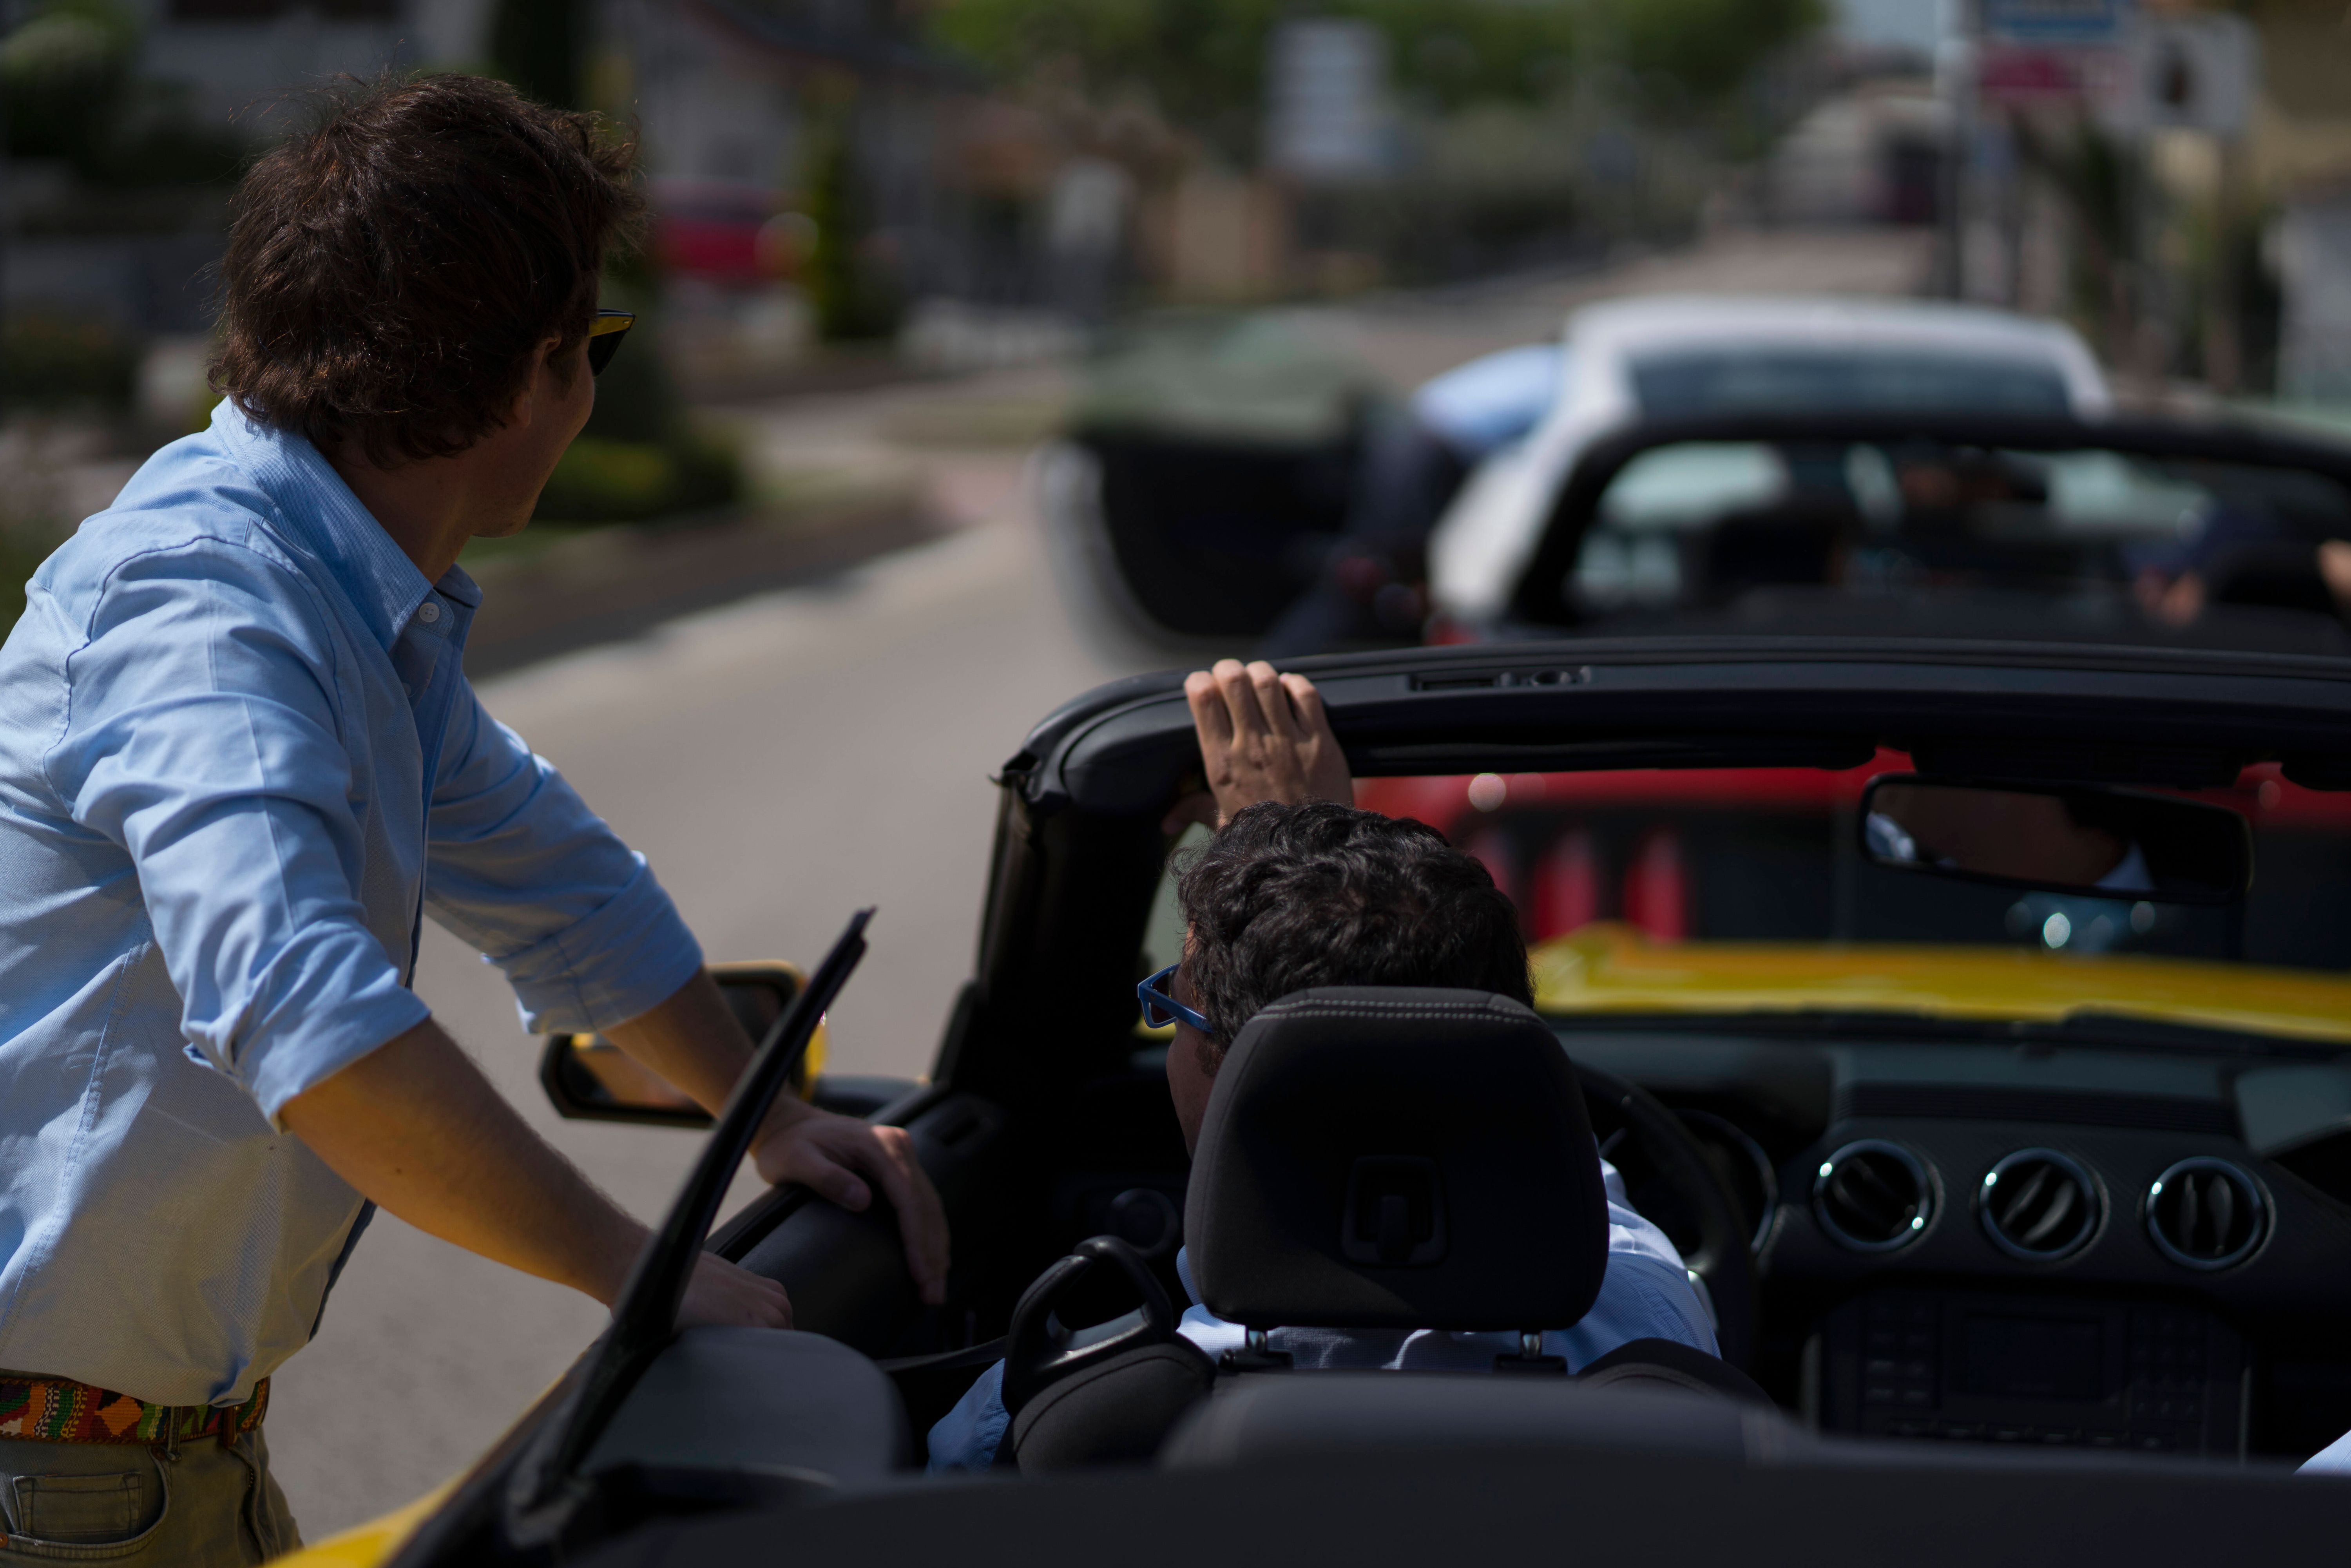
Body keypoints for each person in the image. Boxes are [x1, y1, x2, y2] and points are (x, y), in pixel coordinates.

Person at [0, 77, 944, 1563]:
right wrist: (631, 1267)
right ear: (531, 381)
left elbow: (570, 894)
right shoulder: (204, 606)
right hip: (51, 1485)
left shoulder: (356, 609)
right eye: (596, 354)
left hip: (161, 1462)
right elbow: (303, 1010)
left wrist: (772, 1118)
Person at [926, 659, 1717, 1470]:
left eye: (1175, 1007)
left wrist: (1292, 858)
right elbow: (1581, 1192)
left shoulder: (1064, 1422)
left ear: (1231, 1074)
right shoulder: (1652, 1337)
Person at [1258, 344, 1562, 657]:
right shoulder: (1578, 374)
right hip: (1428, 449)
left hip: (1409, 439)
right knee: (1374, 574)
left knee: (1382, 571)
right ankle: (1284, 662)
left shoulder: (1546, 362)